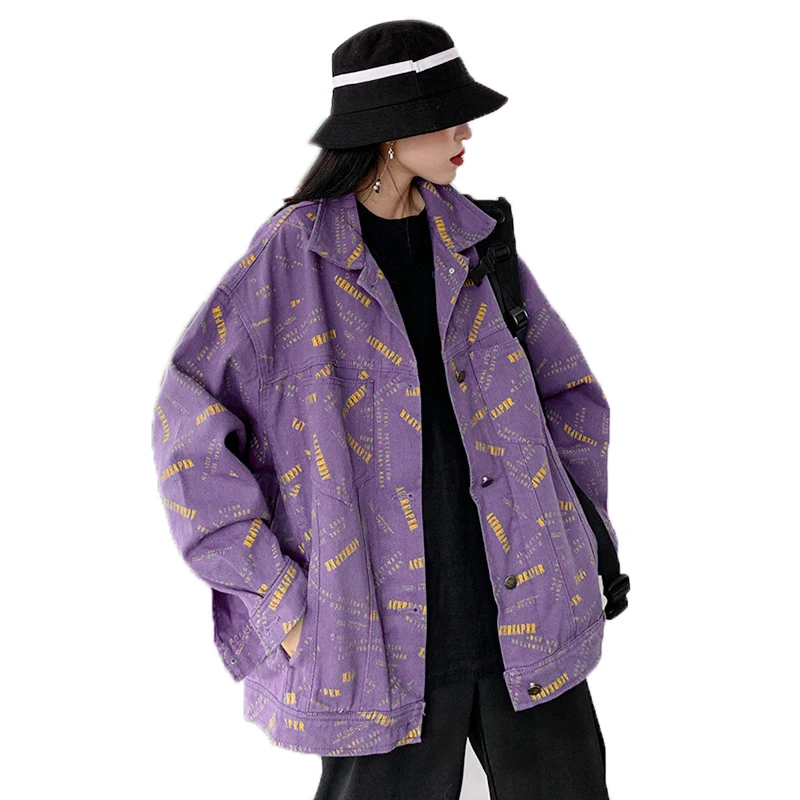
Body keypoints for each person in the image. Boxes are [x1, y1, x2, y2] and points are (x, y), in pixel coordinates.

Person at [152, 19, 616, 800]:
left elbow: (570, 396)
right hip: (374, 640)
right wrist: (278, 601)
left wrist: (570, 535)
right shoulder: (292, 258)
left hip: (527, 618)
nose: (466, 133)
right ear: (392, 131)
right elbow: (187, 434)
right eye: (448, 115)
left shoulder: (478, 243)